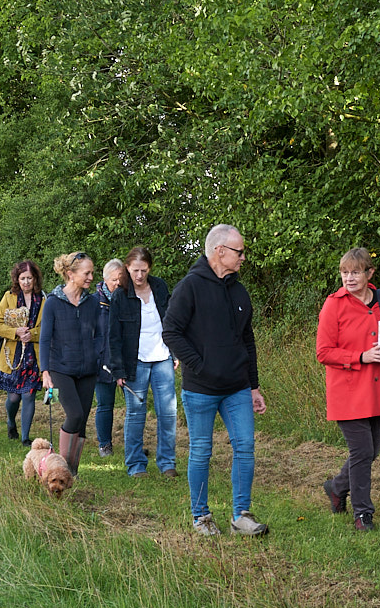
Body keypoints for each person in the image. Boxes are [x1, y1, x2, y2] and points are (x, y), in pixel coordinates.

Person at [162, 224, 268, 537]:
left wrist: (253, 385)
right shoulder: (190, 286)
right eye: (239, 251)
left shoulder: (238, 290)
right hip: (201, 390)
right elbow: (171, 332)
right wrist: (199, 365)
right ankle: (202, 518)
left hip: (236, 388)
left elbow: (247, 339)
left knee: (245, 447)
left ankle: (241, 516)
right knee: (201, 452)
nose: (243, 257)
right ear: (219, 251)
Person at [315, 247, 380, 532]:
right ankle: (363, 514)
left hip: (378, 388)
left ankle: (336, 487)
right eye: (344, 273)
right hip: (347, 390)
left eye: (355, 272)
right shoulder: (334, 304)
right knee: (362, 450)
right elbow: (323, 352)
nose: (349, 278)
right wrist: (361, 357)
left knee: (370, 451)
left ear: (370, 273)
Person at [37, 252, 108, 477]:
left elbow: (100, 334)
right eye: (86, 273)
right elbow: (45, 338)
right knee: (74, 415)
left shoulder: (93, 302)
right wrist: (45, 372)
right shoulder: (53, 302)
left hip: (87, 370)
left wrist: (96, 354)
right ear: (70, 274)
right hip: (60, 369)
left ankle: (71, 474)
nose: (91, 277)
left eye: (92, 272)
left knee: (83, 420)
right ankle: (60, 469)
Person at [109, 246, 176, 477]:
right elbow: (114, 336)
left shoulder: (160, 287)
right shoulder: (120, 295)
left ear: (150, 269)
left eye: (144, 270)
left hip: (163, 359)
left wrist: (175, 354)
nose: (139, 275)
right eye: (135, 270)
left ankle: (167, 463)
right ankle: (136, 465)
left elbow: (172, 322)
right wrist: (118, 370)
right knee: (136, 414)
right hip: (134, 362)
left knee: (168, 413)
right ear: (127, 268)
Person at [0, 260, 47, 442]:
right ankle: (10, 421)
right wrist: (15, 332)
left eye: (29, 278)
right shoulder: (8, 297)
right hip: (13, 356)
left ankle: (25, 438)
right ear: (17, 279)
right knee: (14, 398)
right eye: (23, 278)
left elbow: (47, 328)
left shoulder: (43, 299)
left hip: (34, 356)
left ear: (35, 279)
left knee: (29, 395)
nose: (26, 282)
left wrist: (31, 334)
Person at [93, 258, 126, 457]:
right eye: (114, 280)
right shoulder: (94, 303)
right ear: (105, 279)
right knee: (105, 405)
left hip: (126, 361)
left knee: (133, 406)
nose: (118, 284)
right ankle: (105, 444)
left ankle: (132, 444)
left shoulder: (128, 299)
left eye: (121, 279)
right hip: (102, 362)